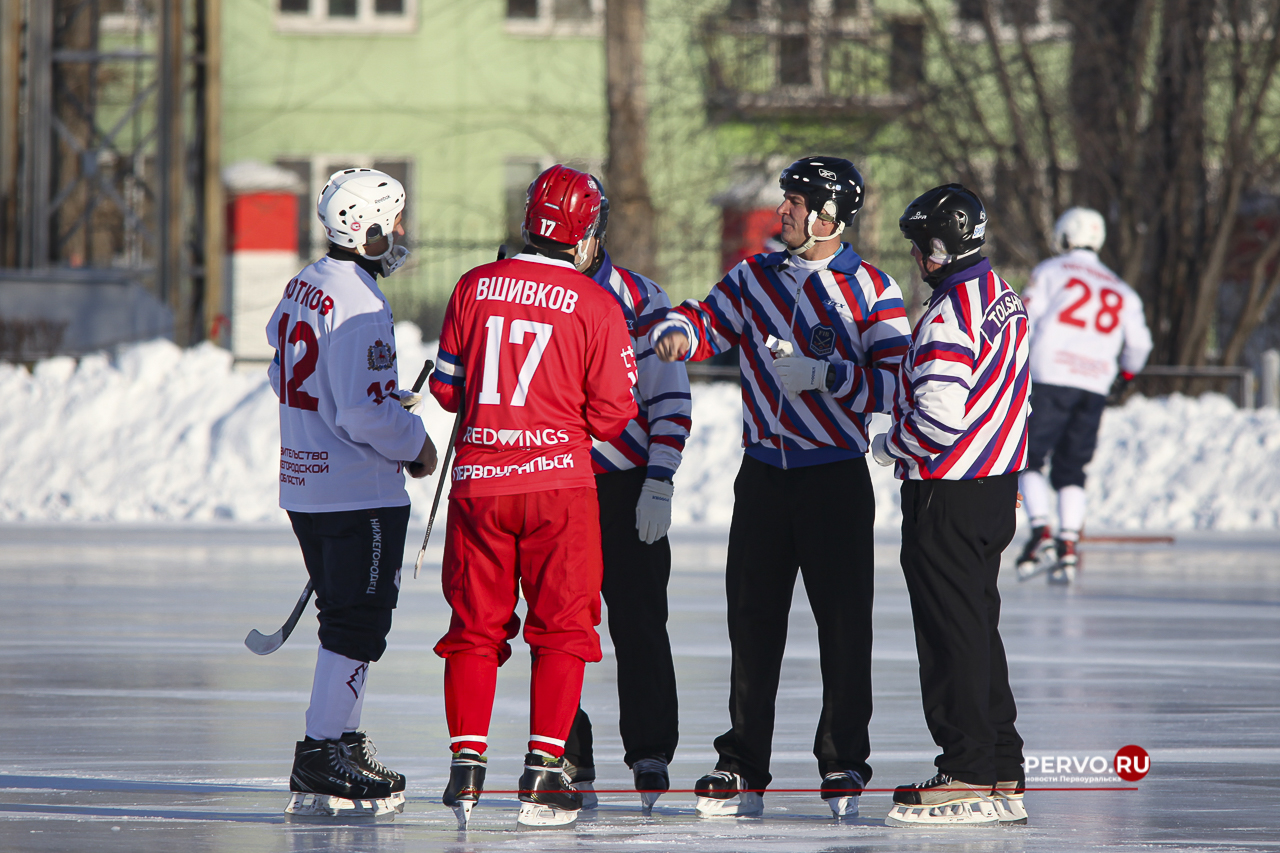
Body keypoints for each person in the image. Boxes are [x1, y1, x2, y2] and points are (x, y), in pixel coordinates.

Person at [651, 156, 911, 819]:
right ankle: (742, 762)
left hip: (835, 479)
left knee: (844, 627)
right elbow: (707, 319)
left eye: (795, 202)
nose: (782, 212)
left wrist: (828, 376)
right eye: (785, 201)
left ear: (829, 216)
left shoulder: (875, 290)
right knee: (753, 623)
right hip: (764, 475)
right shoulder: (754, 276)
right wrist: (680, 331)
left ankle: (844, 758)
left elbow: (899, 385)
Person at [427, 165, 639, 828]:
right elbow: (614, 416)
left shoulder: (473, 287)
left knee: (473, 628)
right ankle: (544, 770)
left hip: (480, 487)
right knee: (564, 629)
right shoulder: (597, 302)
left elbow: (447, 390)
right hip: (558, 489)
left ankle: (466, 767)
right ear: (583, 231)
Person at [267, 167, 439, 819]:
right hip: (354, 490)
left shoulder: (306, 282)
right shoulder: (361, 302)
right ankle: (320, 750)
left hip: (306, 481)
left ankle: (339, 737)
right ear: (367, 228)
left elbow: (283, 364)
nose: (401, 234)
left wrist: (366, 401)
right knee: (357, 620)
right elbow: (362, 418)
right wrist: (416, 441)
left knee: (347, 616)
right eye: (395, 222)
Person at [870, 183, 1030, 827]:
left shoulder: (946, 314)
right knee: (976, 627)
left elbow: (939, 415)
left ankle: (968, 770)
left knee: (949, 633)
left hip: (948, 492)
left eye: (919, 244)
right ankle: (1002, 764)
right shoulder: (1005, 299)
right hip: (994, 487)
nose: (914, 256)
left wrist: (889, 444)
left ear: (940, 247)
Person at [560, 181, 692, 812]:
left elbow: (670, 397)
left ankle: (650, 748)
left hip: (627, 483)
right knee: (561, 626)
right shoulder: (533, 291)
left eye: (579, 231)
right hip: (556, 483)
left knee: (641, 621)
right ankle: (562, 746)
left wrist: (660, 478)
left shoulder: (643, 297)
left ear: (598, 232)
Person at [1015, 207, 1153, 583]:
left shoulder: (1051, 271)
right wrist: (1123, 375)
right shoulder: (1121, 288)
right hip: (1093, 384)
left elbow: (1025, 320)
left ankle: (1041, 530)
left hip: (1049, 376)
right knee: (1073, 469)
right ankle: (1069, 543)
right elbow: (1139, 345)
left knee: (1026, 458)